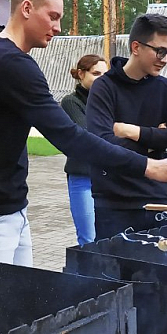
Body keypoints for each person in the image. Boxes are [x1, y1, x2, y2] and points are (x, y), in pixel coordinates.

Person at [0, 0, 167, 269]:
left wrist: (133, 136)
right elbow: (71, 136)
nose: (57, 27)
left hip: (8, 208)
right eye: (53, 17)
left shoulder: (7, 59)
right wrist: (149, 165)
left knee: (14, 305)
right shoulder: (8, 63)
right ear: (26, 8)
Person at [86, 13, 167, 240]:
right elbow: (100, 144)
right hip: (113, 203)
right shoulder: (103, 88)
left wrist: (131, 131)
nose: (164, 59)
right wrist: (156, 143)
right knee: (112, 273)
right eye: (160, 51)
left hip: (159, 200)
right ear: (136, 47)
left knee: (161, 272)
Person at [60, 54, 108, 245]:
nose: (101, 79)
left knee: (108, 236)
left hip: (107, 179)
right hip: (83, 177)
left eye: (105, 75)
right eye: (96, 74)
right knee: (88, 238)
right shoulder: (71, 102)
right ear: (81, 74)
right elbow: (86, 134)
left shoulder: (108, 102)